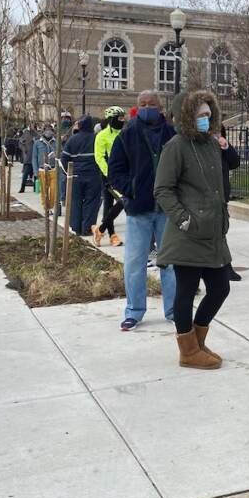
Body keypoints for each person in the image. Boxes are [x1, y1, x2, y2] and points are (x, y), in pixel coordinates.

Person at [154, 90, 233, 369]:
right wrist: (183, 218)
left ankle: (197, 340)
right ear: (188, 116)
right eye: (201, 115)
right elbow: (162, 188)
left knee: (220, 287)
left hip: (213, 232)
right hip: (188, 233)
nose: (206, 120)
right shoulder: (176, 146)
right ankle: (187, 351)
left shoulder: (211, 144)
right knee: (186, 292)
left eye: (209, 115)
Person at [108, 90, 177, 331]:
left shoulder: (172, 134)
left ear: (160, 107)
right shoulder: (127, 135)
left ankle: (174, 309)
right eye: (143, 104)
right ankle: (134, 311)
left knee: (170, 263)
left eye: (152, 104)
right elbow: (114, 171)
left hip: (167, 210)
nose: (148, 107)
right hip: (140, 209)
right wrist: (132, 190)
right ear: (137, 107)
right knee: (134, 262)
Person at [60, 114, 101, 237]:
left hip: (75, 176)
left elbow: (64, 158)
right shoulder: (96, 138)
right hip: (93, 176)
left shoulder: (72, 139)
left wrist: (67, 172)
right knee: (92, 202)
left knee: (75, 201)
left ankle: (76, 227)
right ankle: (87, 228)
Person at [91, 106, 126, 247]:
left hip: (124, 174)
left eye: (124, 118)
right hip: (109, 175)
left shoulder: (125, 133)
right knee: (123, 200)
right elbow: (99, 158)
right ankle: (109, 234)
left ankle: (102, 231)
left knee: (109, 204)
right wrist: (110, 174)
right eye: (120, 118)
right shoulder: (102, 136)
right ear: (112, 119)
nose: (123, 121)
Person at [218, 126, 242, 280]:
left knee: (221, 232)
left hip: (221, 197)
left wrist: (226, 146)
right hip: (206, 198)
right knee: (219, 234)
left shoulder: (222, 148)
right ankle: (226, 267)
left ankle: (225, 267)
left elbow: (235, 162)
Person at [18, 127, 35, 192]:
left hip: (35, 159)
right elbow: (20, 142)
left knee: (36, 174)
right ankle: (22, 187)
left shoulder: (37, 134)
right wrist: (24, 148)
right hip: (28, 159)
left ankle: (35, 188)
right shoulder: (26, 134)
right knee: (25, 174)